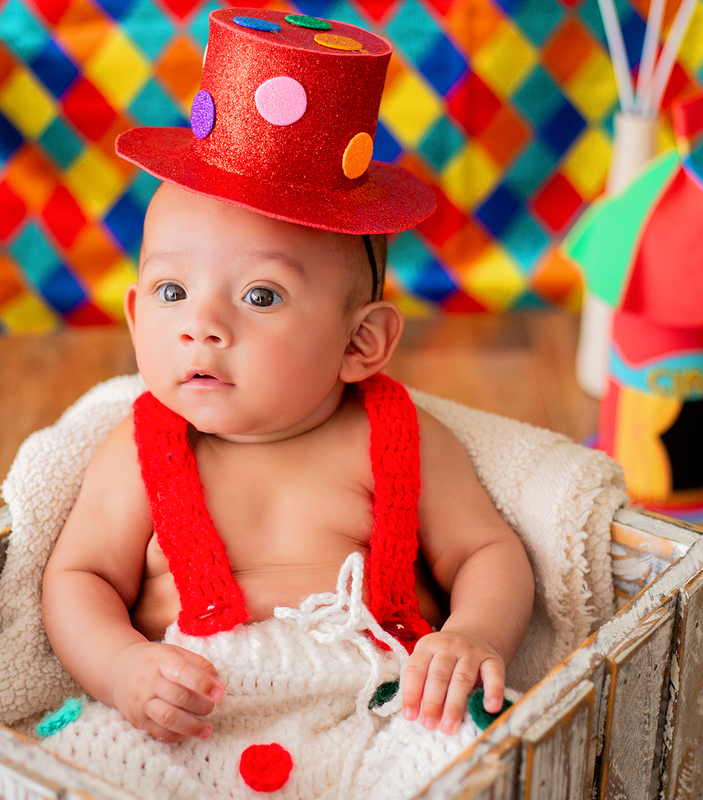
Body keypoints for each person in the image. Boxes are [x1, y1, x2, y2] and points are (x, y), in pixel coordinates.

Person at [40, 5, 533, 770]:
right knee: (90, 760)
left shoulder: (396, 440)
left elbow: (487, 552)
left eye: (260, 296)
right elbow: (79, 579)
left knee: (462, 754)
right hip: (193, 720)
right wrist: (120, 669)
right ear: (136, 316)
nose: (200, 326)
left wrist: (473, 634)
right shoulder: (139, 451)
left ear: (361, 343)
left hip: (371, 705)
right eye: (171, 292)